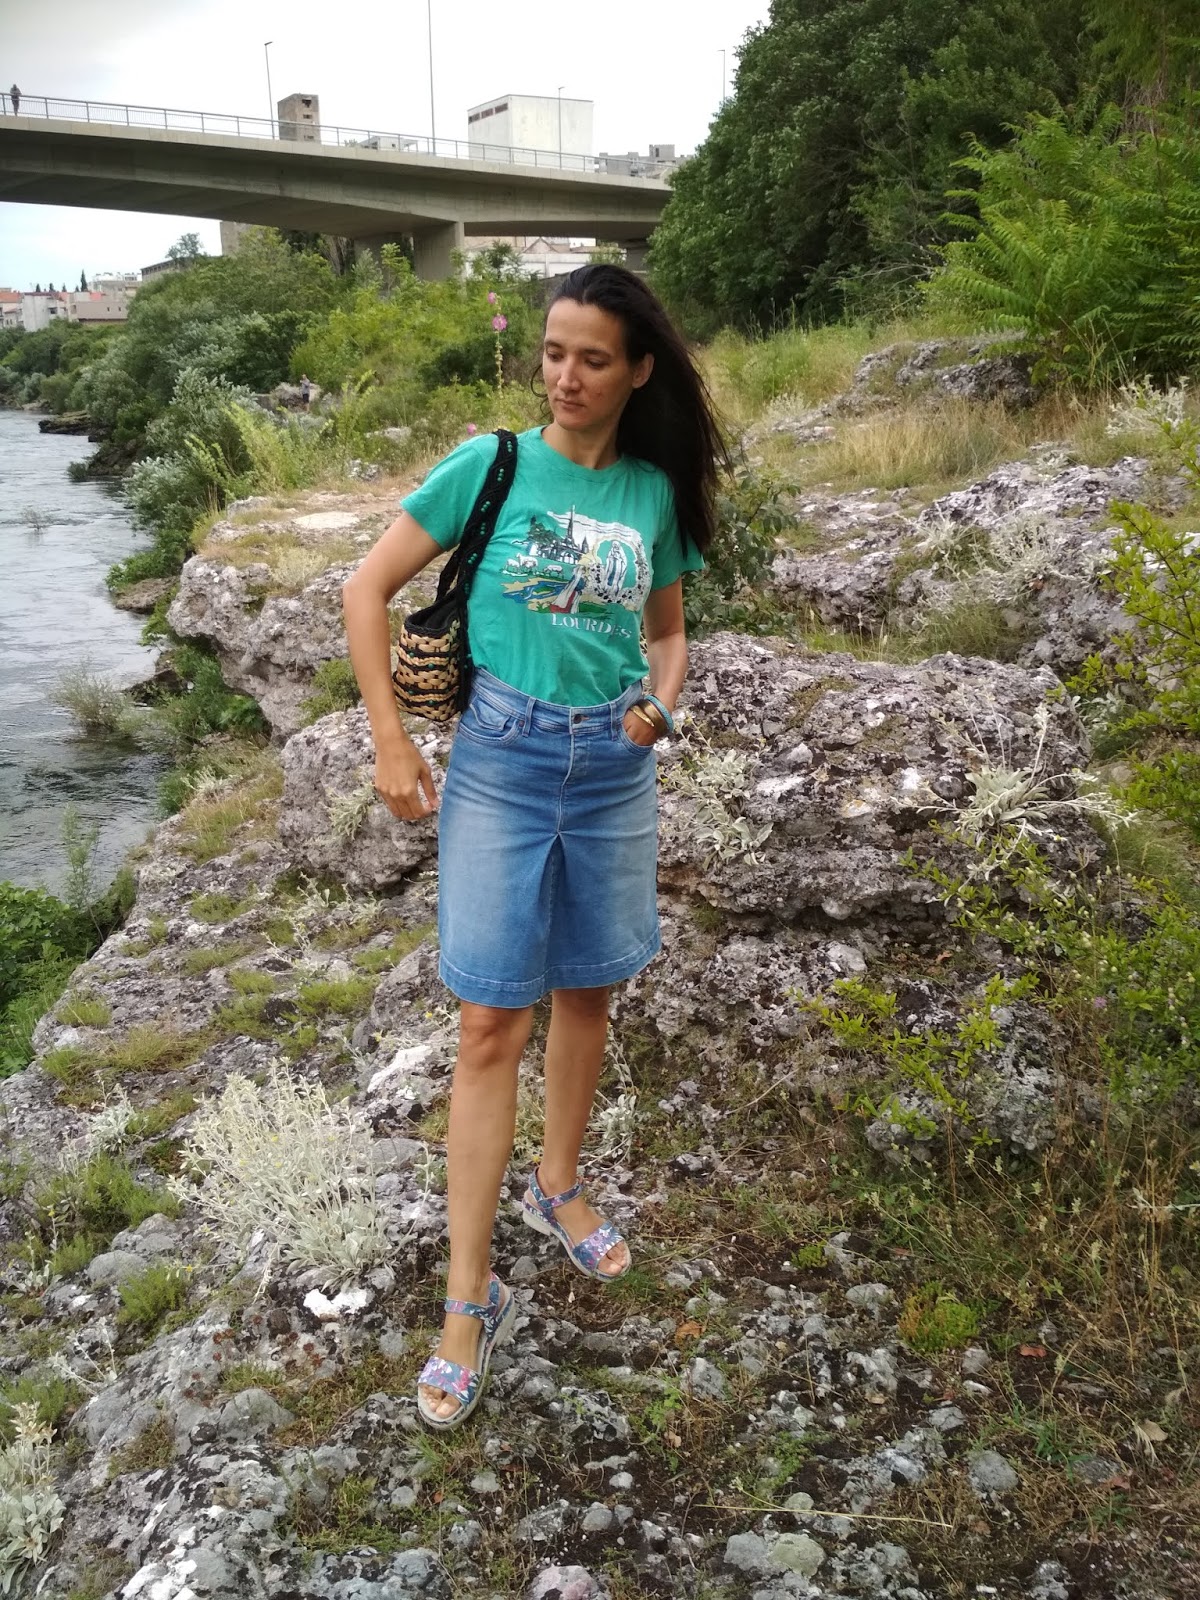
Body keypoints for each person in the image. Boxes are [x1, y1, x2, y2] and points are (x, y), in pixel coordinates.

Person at [341, 263, 728, 1429]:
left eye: (592, 358)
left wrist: (660, 707)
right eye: (554, 352)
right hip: (502, 764)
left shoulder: (652, 493)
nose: (566, 376)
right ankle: (470, 1299)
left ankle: (558, 1184)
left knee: (590, 992)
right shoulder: (491, 464)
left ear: (638, 371)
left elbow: (669, 636)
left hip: (612, 769)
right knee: (487, 1024)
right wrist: (390, 740)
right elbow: (365, 590)